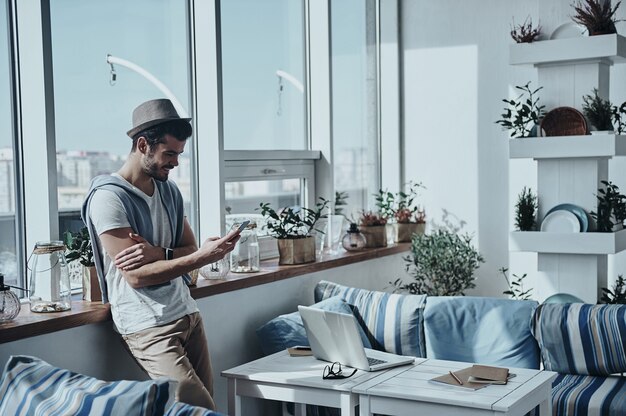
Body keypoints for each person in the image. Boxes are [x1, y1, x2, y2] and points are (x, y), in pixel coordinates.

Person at [81, 98, 239, 410]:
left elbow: (189, 246)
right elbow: (137, 277)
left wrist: (158, 252)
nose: (176, 163)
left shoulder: (169, 190)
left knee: (206, 409)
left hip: (187, 314)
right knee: (198, 413)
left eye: (179, 154)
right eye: (169, 154)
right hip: (149, 326)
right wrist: (203, 258)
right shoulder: (108, 199)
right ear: (142, 145)